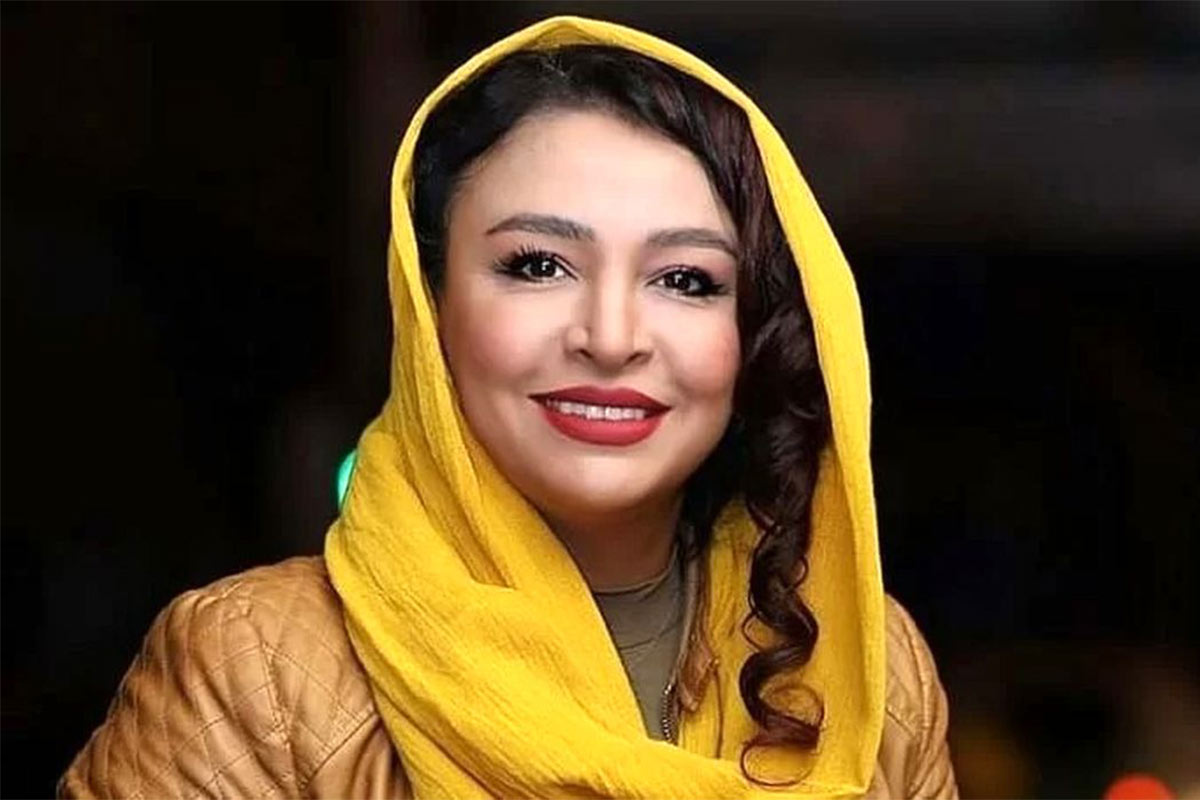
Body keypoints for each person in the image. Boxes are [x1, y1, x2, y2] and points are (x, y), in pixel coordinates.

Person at [60, 16, 956, 799]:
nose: (611, 337)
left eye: (685, 279)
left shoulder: (864, 664)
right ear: (429, 304)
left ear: (754, 328)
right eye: (538, 265)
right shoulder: (259, 668)